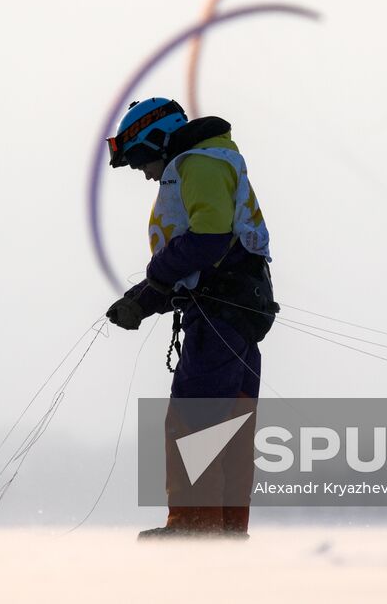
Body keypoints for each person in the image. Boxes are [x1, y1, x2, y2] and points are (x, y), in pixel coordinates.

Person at [104, 98, 277, 540]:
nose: (144, 173)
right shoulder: (210, 162)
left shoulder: (197, 164)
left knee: (193, 419)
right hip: (232, 316)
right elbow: (201, 268)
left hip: (219, 321)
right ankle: (225, 533)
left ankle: (195, 529)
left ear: (159, 139)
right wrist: (142, 301)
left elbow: (208, 239)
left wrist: (154, 278)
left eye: (141, 159)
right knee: (231, 426)